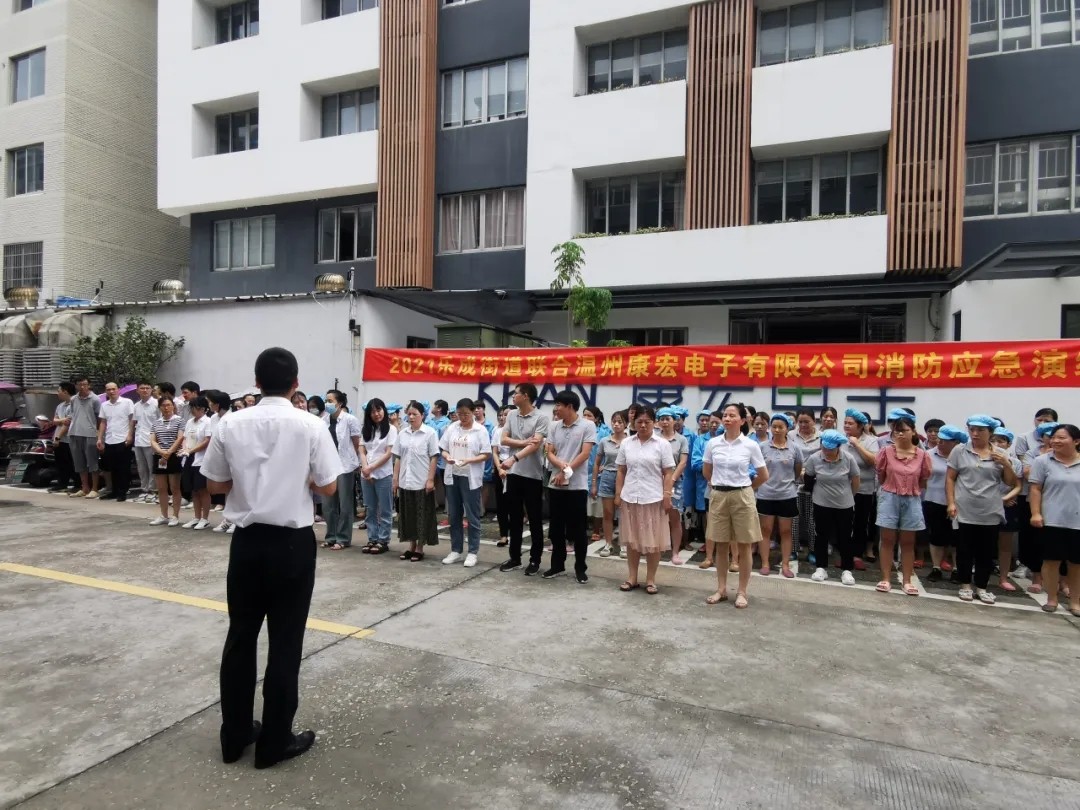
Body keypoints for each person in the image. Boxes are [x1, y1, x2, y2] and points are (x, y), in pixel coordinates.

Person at [201, 347, 341, 770]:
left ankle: (235, 735)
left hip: (246, 542)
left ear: (257, 383)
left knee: (241, 637)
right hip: (292, 544)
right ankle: (275, 742)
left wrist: (252, 483)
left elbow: (215, 486)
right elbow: (329, 487)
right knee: (285, 642)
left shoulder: (230, 423)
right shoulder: (311, 424)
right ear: (296, 383)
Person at [702, 403, 769, 609]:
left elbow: (763, 475)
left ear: (742, 420)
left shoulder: (750, 445)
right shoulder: (713, 443)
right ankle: (721, 589)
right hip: (719, 496)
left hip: (742, 496)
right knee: (721, 544)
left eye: (732, 415)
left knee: (744, 545)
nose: (727, 419)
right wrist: (716, 485)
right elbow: (707, 471)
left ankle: (742, 591)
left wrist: (747, 488)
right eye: (725, 415)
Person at [946, 415, 1018, 605]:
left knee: (986, 552)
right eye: (972, 429)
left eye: (980, 430)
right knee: (964, 550)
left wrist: (1006, 463)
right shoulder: (960, 450)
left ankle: (982, 587)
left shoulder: (1000, 453)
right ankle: (965, 585)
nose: (975, 433)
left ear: (990, 432)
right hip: (964, 509)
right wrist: (951, 503)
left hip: (990, 510)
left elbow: (1010, 482)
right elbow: (950, 478)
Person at [614, 406, 675, 595]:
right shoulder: (627, 443)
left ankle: (650, 579)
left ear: (654, 423)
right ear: (633, 423)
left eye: (647, 422)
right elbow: (621, 470)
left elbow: (668, 472)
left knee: (653, 542)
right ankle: (632, 577)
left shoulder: (662, 444)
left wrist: (667, 495)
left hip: (653, 498)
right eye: (639, 422)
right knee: (632, 541)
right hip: (630, 496)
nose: (642, 425)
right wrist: (618, 494)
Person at [540, 390, 597, 582]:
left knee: (578, 529)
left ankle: (580, 568)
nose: (556, 409)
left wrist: (566, 471)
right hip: (556, 485)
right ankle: (557, 565)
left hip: (577, 486)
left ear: (570, 407)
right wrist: (561, 467)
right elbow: (549, 452)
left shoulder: (587, 425)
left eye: (559, 405)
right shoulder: (554, 426)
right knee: (556, 528)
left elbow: (585, 453)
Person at [875, 413, 932, 595]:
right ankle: (885, 578)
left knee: (908, 542)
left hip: (912, 498)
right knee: (887, 540)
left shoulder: (922, 455)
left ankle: (907, 581)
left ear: (913, 431)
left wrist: (910, 488)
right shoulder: (886, 452)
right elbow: (881, 475)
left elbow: (923, 480)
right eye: (897, 431)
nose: (900, 434)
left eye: (904, 430)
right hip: (889, 496)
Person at [498, 383, 550, 575]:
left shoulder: (541, 417)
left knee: (534, 519)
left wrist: (514, 457)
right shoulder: (512, 414)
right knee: (515, 518)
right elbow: (504, 439)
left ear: (526, 396)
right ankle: (515, 558)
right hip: (513, 474)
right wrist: (523, 442)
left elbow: (535, 445)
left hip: (532, 475)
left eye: (516, 393)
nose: (513, 396)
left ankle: (535, 559)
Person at [1028, 424, 1080, 615]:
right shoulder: (1042, 461)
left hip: (1077, 521)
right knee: (1051, 561)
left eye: (1062, 438)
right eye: (1054, 437)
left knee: (1076, 563)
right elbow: (1035, 489)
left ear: (1076, 441)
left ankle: (1075, 601)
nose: (1055, 441)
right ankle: (1051, 598)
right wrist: (1036, 513)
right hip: (1051, 520)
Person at [439, 398, 492, 568]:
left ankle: (472, 551)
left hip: (470, 476)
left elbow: (486, 454)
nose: (462, 417)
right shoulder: (452, 427)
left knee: (472, 515)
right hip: (453, 474)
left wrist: (470, 460)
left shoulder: (480, 430)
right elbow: (443, 448)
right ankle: (456, 549)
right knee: (454, 514)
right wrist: (447, 456)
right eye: (459, 414)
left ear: (473, 412)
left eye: (466, 414)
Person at [803, 429, 860, 585]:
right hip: (821, 503)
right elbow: (808, 478)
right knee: (821, 535)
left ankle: (847, 569)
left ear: (838, 447)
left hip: (844, 504)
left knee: (845, 537)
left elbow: (855, 480)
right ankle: (821, 567)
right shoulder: (814, 458)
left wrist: (850, 496)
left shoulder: (848, 458)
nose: (827, 452)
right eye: (824, 447)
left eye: (830, 449)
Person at [755, 413, 803, 579]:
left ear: (787, 428)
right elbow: (757, 469)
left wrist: (789, 482)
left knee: (786, 531)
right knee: (765, 530)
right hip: (765, 494)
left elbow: (797, 470)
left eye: (780, 427)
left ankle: (785, 564)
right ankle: (765, 563)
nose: (776, 430)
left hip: (787, 495)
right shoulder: (762, 447)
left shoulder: (795, 448)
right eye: (774, 426)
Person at [392, 401, 439, 561]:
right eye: (409, 414)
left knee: (422, 515)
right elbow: (398, 457)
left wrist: (430, 480)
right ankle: (411, 546)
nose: (411, 417)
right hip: (406, 480)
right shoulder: (402, 433)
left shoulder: (430, 433)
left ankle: (420, 547)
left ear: (422, 415)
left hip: (421, 480)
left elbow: (434, 458)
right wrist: (395, 478)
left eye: (415, 414)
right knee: (408, 515)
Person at [1020, 421, 1059, 593]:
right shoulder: (1033, 454)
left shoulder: (1070, 456)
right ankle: (1037, 577)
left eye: (1056, 436)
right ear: (1042, 438)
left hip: (1061, 504)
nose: (1052, 440)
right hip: (1036, 502)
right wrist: (1044, 460)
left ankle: (1063, 582)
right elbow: (1028, 474)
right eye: (1049, 436)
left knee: (1060, 543)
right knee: (1036, 541)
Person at [924, 425, 966, 582]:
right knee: (936, 536)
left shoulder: (963, 456)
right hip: (933, 500)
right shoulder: (928, 454)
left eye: (944, 440)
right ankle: (936, 567)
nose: (939, 442)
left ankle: (956, 568)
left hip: (958, 502)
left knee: (956, 538)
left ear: (955, 442)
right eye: (939, 439)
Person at [320, 390, 361, 551]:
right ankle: (331, 536)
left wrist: (356, 462)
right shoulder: (323, 420)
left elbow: (356, 442)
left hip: (345, 466)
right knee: (328, 504)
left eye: (330, 401)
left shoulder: (350, 420)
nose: (327, 403)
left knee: (344, 504)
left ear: (340, 403)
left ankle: (343, 538)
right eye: (326, 400)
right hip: (328, 466)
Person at [357, 398, 397, 554]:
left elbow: (389, 453)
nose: (376, 414)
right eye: (372, 411)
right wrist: (365, 468)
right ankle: (372, 538)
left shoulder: (391, 429)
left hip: (383, 474)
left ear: (384, 411)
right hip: (366, 474)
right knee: (370, 509)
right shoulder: (367, 429)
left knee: (385, 509)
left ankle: (383, 540)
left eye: (379, 410)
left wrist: (371, 468)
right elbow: (362, 450)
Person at [843, 408, 880, 568]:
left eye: (850, 423)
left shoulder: (871, 441)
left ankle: (857, 554)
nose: (846, 425)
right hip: (843, 489)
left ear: (859, 426)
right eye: (845, 422)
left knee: (860, 522)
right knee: (844, 522)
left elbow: (874, 461)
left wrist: (857, 444)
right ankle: (844, 553)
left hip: (864, 489)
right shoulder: (841, 440)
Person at [991, 427, 1024, 591]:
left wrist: (1005, 499)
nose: (997, 444)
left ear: (1009, 444)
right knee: (982, 540)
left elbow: (1017, 485)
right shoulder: (982, 458)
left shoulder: (1016, 463)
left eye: (1001, 441)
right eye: (993, 441)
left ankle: (1003, 577)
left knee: (1005, 544)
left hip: (1007, 505)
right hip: (985, 505)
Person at [593, 410, 627, 558]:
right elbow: (597, 463)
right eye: (614, 421)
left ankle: (623, 544)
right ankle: (608, 543)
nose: (616, 424)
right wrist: (594, 483)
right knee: (607, 513)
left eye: (620, 422)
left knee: (624, 514)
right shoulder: (604, 441)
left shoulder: (630, 441)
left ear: (626, 424)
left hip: (625, 478)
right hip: (607, 477)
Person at [657, 407, 689, 566]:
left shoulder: (682, 440)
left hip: (676, 482)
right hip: (656, 481)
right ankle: (657, 548)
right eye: (662, 419)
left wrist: (672, 479)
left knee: (675, 517)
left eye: (667, 419)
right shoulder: (654, 439)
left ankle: (675, 552)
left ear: (674, 421)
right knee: (656, 517)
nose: (665, 422)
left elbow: (683, 462)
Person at [148, 396, 185, 527]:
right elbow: (152, 440)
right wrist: (161, 451)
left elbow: (180, 438)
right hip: (159, 456)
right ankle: (164, 515)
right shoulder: (156, 422)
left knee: (174, 487)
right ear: (160, 407)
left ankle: (175, 515)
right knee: (161, 488)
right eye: (163, 405)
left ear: (173, 406)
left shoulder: (179, 420)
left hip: (174, 455)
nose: (166, 408)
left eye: (169, 405)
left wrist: (169, 452)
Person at [96, 382, 135, 501]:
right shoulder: (104, 405)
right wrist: (100, 438)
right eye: (108, 389)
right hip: (110, 439)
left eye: (113, 389)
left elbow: (132, 420)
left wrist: (130, 435)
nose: (111, 391)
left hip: (123, 438)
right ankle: (114, 491)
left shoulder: (127, 402)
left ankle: (123, 492)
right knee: (112, 467)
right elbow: (103, 422)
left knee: (123, 467)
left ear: (118, 390)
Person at [791, 407, 821, 561]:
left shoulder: (821, 437)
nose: (803, 425)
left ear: (814, 421)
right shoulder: (790, 435)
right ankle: (793, 550)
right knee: (794, 519)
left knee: (812, 520)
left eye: (806, 422)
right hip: (794, 482)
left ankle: (813, 550)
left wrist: (809, 472)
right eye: (800, 422)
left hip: (814, 483)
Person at [179, 396, 214, 529]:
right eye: (192, 408)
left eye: (197, 408)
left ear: (204, 409)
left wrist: (191, 450)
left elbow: (207, 440)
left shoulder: (208, 421)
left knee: (202, 489)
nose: (194, 411)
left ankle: (205, 519)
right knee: (193, 489)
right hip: (188, 457)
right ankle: (196, 517)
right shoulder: (190, 422)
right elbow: (185, 438)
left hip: (201, 459)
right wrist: (185, 449)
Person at [68, 375, 102, 499]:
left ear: (89, 385)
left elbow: (99, 418)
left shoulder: (95, 399)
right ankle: (85, 487)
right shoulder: (73, 399)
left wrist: (98, 434)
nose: (82, 387)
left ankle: (95, 488)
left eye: (85, 384)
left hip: (90, 434)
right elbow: (73, 414)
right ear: (76, 386)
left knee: (92, 462)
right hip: (75, 433)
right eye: (79, 384)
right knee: (79, 463)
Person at [583, 406, 610, 544]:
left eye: (589, 416)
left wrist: (604, 465)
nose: (586, 418)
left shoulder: (605, 432)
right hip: (582, 470)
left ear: (597, 418)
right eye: (584, 415)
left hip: (598, 471)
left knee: (598, 502)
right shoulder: (580, 429)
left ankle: (596, 529)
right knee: (583, 502)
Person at [132, 381, 159, 503]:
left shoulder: (156, 404)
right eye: (142, 388)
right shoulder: (136, 405)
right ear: (137, 390)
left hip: (151, 440)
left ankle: (153, 490)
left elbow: (160, 422)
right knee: (141, 467)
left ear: (151, 390)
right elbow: (134, 422)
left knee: (151, 466)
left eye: (147, 388)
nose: (145, 390)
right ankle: (144, 489)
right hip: (138, 440)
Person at [490, 406, 514, 547]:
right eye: (502, 415)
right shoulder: (498, 430)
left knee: (514, 504)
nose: (503, 417)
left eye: (507, 414)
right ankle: (503, 535)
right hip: (500, 468)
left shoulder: (518, 431)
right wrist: (499, 468)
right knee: (501, 504)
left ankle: (515, 534)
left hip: (515, 469)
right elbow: (494, 451)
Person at [48, 382, 76, 494]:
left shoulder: (74, 404)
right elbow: (54, 421)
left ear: (65, 392)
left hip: (68, 439)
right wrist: (61, 420)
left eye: (59, 391)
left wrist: (58, 437)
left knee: (71, 462)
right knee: (61, 463)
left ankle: (77, 484)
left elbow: (67, 423)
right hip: (58, 439)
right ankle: (62, 483)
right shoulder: (60, 406)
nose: (57, 393)